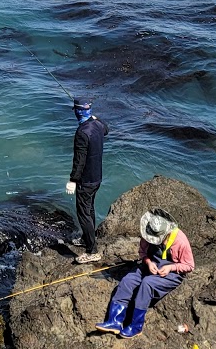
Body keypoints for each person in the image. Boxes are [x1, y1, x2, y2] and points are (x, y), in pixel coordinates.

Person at [96, 210, 195, 338]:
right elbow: (142, 253)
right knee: (128, 280)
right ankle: (114, 321)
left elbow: (189, 266)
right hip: (149, 265)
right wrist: (148, 262)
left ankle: (136, 326)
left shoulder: (180, 240)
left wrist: (171, 267)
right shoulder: (147, 233)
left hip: (172, 273)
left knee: (147, 284)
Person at [64, 98, 108, 263]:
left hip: (86, 181)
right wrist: (95, 118)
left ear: (77, 111)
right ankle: (87, 238)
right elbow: (106, 129)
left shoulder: (82, 132)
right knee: (89, 210)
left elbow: (79, 160)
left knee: (83, 214)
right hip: (97, 178)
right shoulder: (97, 125)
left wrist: (73, 180)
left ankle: (92, 252)